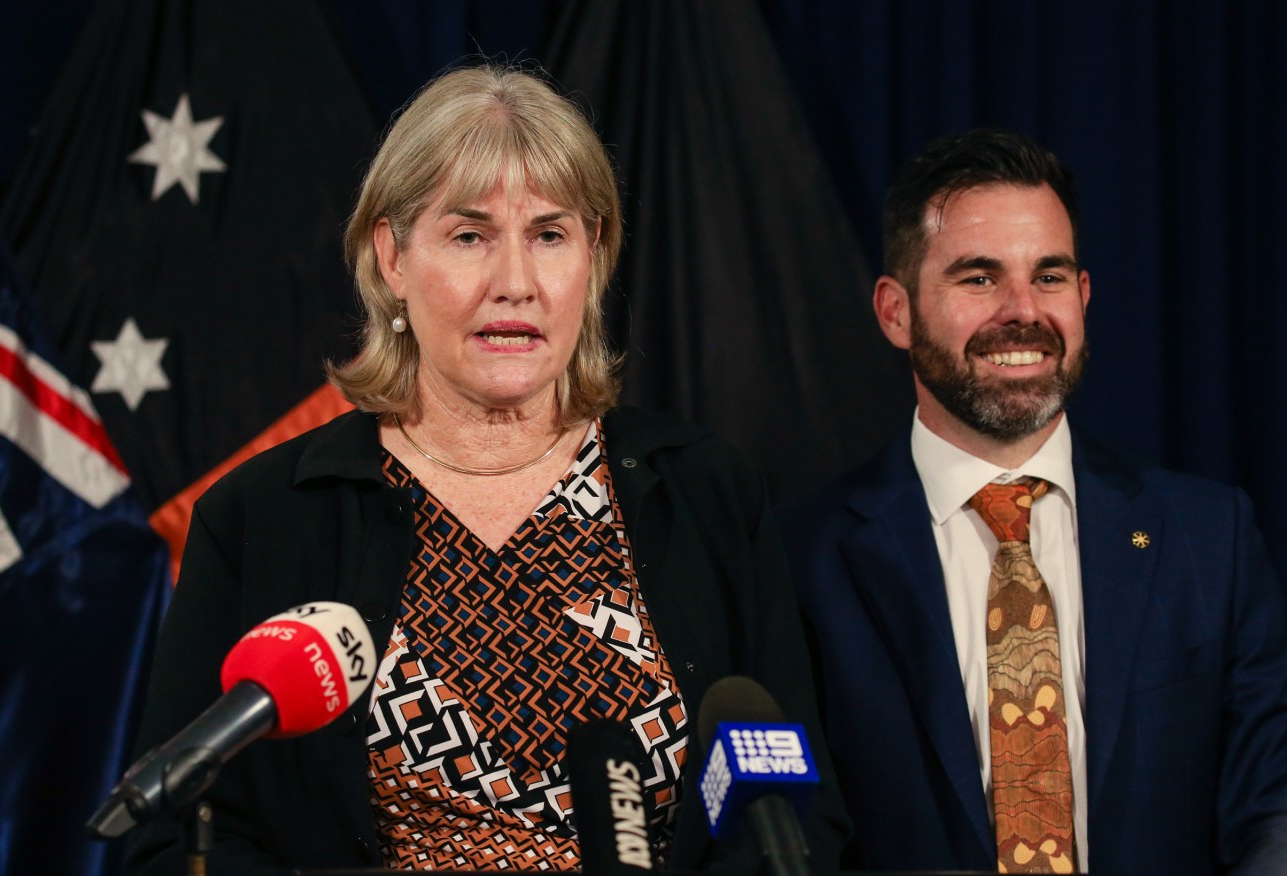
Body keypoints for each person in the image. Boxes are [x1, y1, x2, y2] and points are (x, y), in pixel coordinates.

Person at [123, 65, 847, 874]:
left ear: (593, 254)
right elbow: (176, 836)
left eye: (549, 234)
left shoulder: (706, 492)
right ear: (392, 257)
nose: (516, 284)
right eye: (469, 236)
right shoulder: (267, 515)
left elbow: (794, 820)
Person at [781, 129, 1287, 874]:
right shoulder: (801, 559)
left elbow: (1269, 798)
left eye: (1048, 277)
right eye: (977, 279)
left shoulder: (1210, 536)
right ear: (895, 312)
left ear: (1082, 297)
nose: (1022, 311)